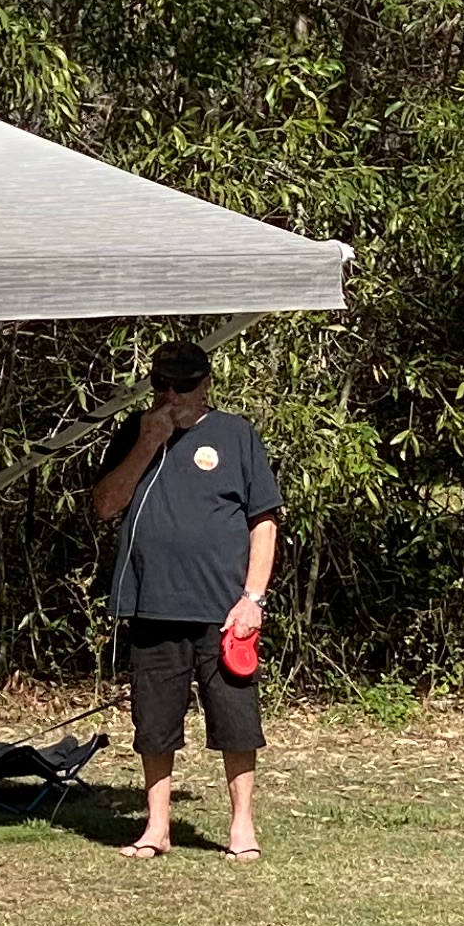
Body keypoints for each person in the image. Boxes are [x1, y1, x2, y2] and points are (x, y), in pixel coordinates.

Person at [87, 338, 281, 861]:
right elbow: (105, 506)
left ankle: (242, 827)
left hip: (223, 610)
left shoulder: (237, 436)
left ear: (205, 383)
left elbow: (263, 523)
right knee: (154, 724)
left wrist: (252, 599)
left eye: (182, 385)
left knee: (236, 722)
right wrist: (148, 443)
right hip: (152, 604)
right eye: (161, 385)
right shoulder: (136, 433)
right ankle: (156, 828)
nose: (171, 395)